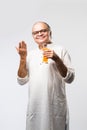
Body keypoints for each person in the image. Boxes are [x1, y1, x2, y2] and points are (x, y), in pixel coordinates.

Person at [16, 21, 75, 130]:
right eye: (35, 32)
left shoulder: (60, 50)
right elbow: (21, 80)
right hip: (35, 108)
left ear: (49, 32)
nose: (39, 34)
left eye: (43, 30)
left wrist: (56, 59)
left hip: (55, 107)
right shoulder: (31, 54)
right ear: (33, 36)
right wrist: (23, 58)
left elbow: (70, 78)